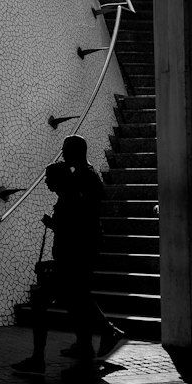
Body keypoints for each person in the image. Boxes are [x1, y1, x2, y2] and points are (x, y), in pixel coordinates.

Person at [59, 135, 127, 363]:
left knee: (78, 293)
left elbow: (89, 209)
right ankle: (84, 342)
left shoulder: (86, 176)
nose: (63, 153)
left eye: (66, 149)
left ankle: (107, 330)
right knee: (76, 293)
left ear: (77, 151)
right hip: (82, 240)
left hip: (83, 243)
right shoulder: (80, 174)